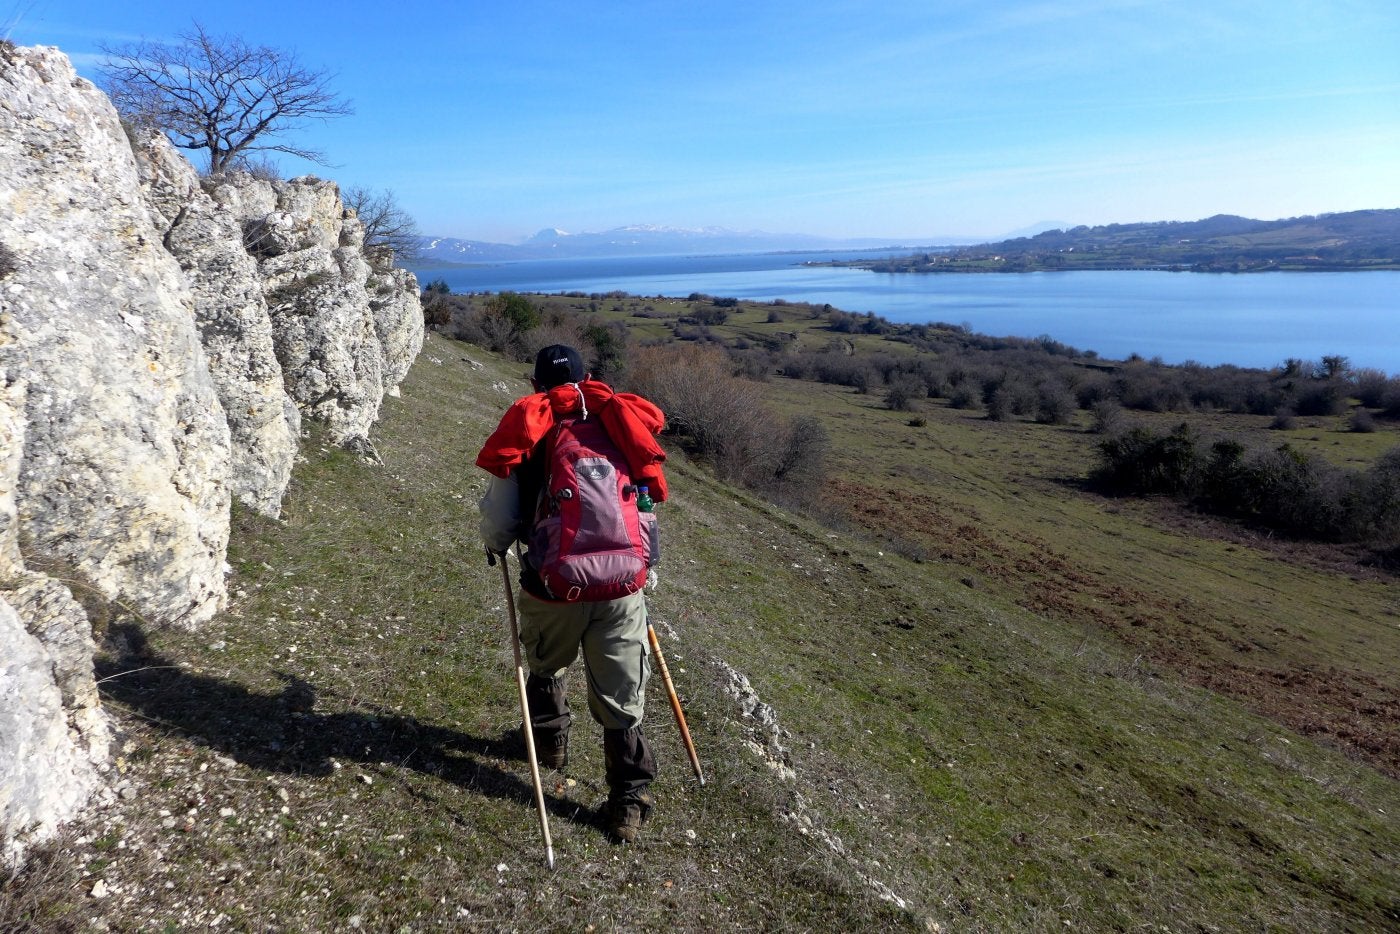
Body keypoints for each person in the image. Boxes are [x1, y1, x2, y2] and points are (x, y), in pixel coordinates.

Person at [475, 344, 668, 843]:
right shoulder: (618, 423)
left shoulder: (534, 430)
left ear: (538, 386)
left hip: (552, 585)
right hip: (623, 587)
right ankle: (628, 801)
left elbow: (501, 516)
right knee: (622, 692)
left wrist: (496, 546)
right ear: (587, 378)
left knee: (544, 664)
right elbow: (645, 502)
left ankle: (548, 745)